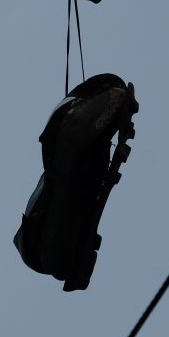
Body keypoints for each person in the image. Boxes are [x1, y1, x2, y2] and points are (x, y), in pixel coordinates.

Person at [14, 74, 138, 291]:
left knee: (70, 180)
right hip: (50, 242)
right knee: (73, 182)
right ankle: (91, 119)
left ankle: (89, 118)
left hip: (48, 241)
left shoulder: (48, 251)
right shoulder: (51, 253)